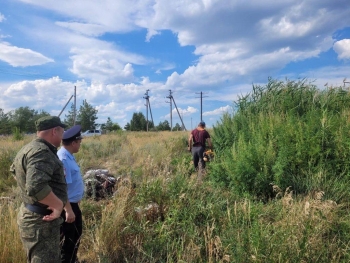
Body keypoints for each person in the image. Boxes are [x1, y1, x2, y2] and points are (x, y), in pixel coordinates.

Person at [10, 116, 68, 263]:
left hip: (34, 216)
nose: (63, 136)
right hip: (41, 222)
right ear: (55, 131)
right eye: (62, 132)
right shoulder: (42, 152)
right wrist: (57, 205)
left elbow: (14, 172)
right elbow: (36, 186)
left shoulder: (28, 148)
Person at [57, 125, 85, 263]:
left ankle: (73, 260)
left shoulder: (69, 156)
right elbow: (61, 189)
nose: (80, 145)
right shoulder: (63, 159)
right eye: (79, 142)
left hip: (72, 205)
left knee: (76, 237)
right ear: (73, 143)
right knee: (67, 242)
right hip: (66, 207)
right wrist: (68, 209)